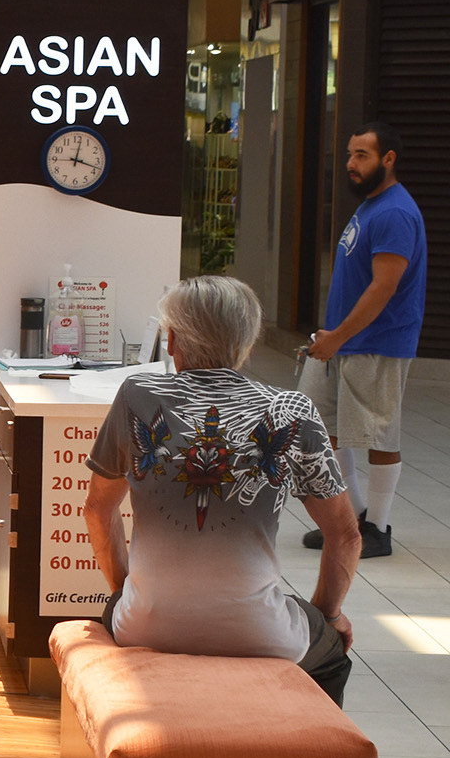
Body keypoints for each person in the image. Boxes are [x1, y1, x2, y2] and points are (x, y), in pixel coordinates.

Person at [84, 276, 360, 702]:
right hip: (261, 632)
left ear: (172, 341)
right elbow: (345, 535)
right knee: (333, 654)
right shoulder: (293, 411)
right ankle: (303, 751)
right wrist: (327, 615)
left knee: (119, 610)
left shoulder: (137, 395)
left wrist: (127, 593)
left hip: (142, 625)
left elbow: (98, 511)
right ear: (247, 343)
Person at [299, 120, 427, 560]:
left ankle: (379, 527)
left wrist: (338, 337)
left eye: (362, 156)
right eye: (350, 155)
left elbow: (383, 288)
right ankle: (351, 521)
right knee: (325, 430)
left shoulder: (393, 212)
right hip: (343, 341)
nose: (351, 164)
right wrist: (332, 335)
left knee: (379, 436)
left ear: (388, 160)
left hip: (376, 343)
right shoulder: (371, 205)